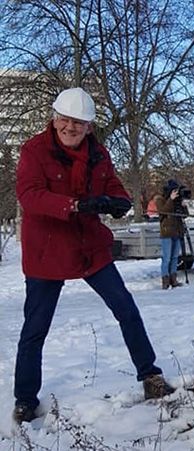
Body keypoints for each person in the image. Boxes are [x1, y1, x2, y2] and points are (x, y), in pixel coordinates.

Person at [13, 87, 174, 424]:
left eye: (80, 123)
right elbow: (30, 195)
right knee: (35, 328)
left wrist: (118, 201)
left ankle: (150, 374)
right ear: (55, 120)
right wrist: (73, 205)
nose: (72, 128)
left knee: (127, 309)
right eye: (67, 121)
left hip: (89, 248)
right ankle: (25, 399)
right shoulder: (33, 151)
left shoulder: (98, 153)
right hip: (48, 251)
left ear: (89, 127)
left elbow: (113, 185)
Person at [155, 179, 188, 289]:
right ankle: (165, 280)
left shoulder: (177, 200)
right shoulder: (160, 199)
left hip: (177, 231)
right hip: (167, 232)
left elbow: (184, 215)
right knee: (167, 257)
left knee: (175, 257)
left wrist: (183, 206)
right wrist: (170, 199)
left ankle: (173, 279)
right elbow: (163, 211)